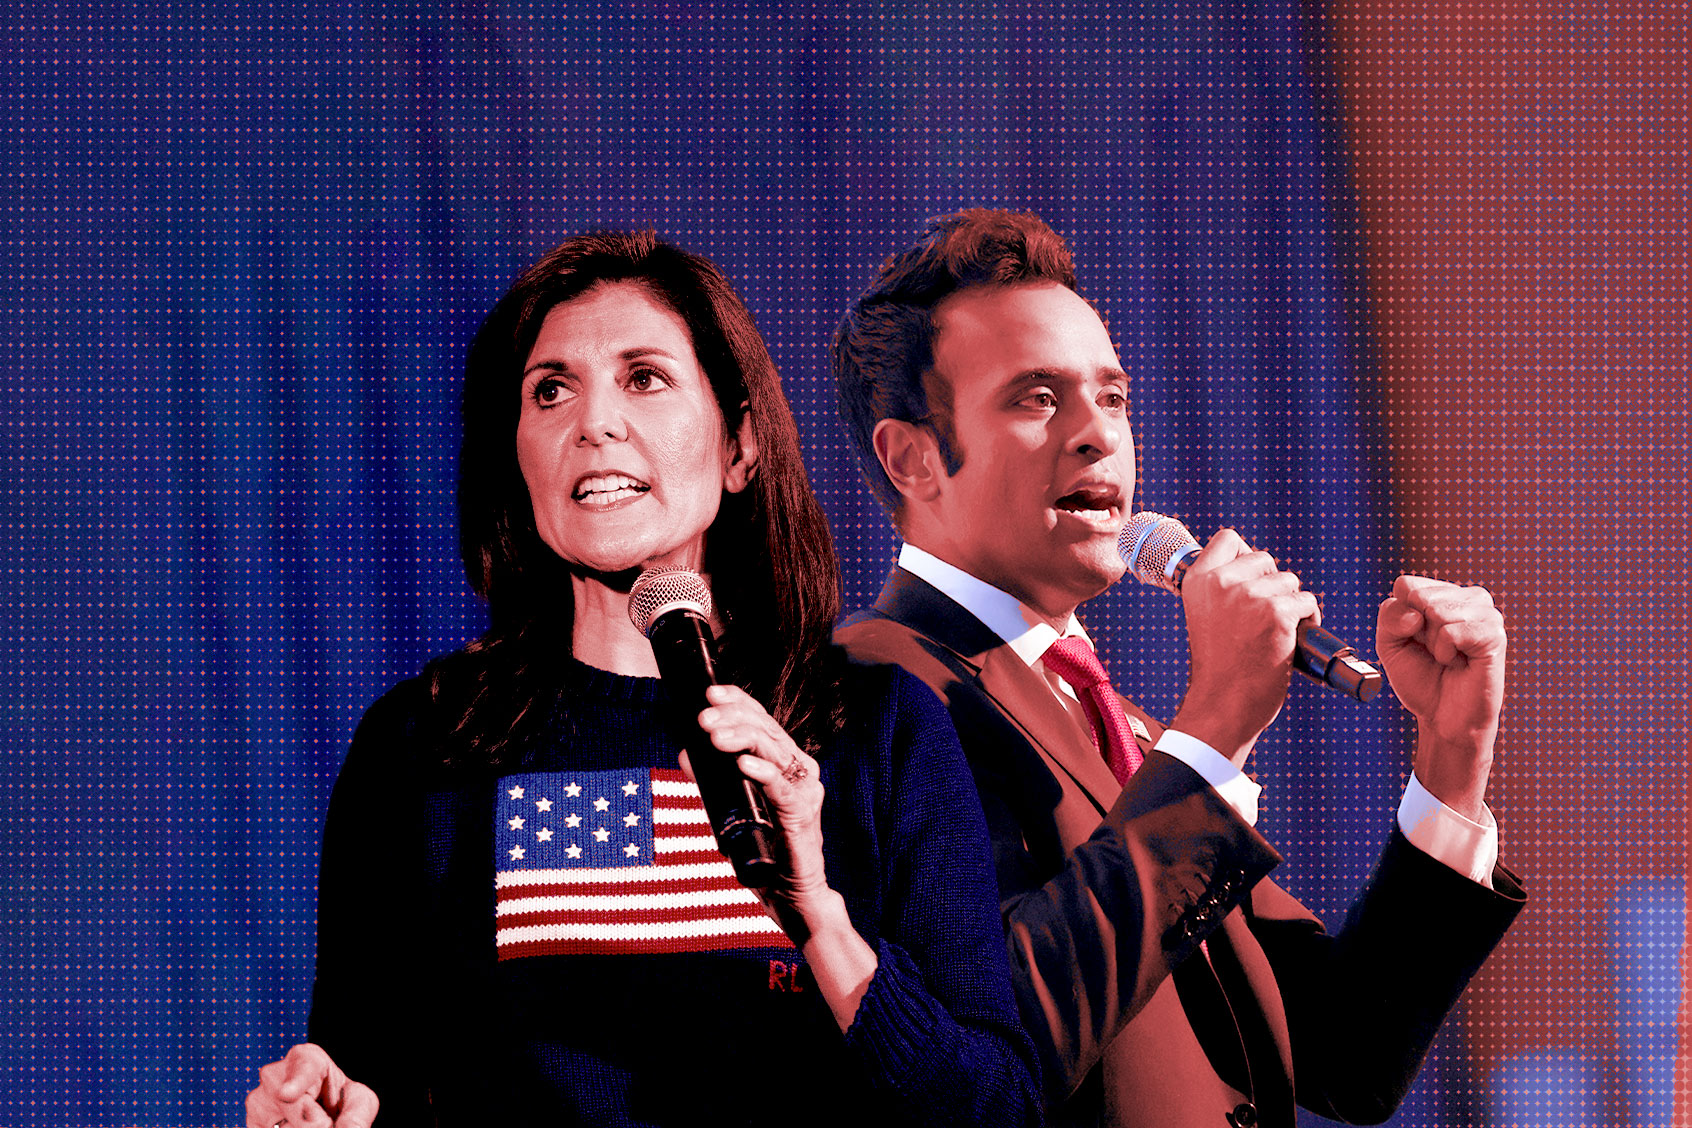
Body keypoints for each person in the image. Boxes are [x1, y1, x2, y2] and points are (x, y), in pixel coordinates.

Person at [245, 231, 1041, 1127]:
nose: (594, 422)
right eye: (551, 391)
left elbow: (998, 1111)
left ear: (740, 445)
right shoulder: (424, 743)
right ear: (517, 456)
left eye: (644, 378)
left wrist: (820, 916)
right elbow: (365, 1073)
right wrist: (329, 1112)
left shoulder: (877, 728)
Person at [831, 209, 1527, 1128]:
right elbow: (993, 1047)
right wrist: (1218, 724)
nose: (1098, 434)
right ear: (913, 457)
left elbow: (1344, 1050)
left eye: (1113, 397)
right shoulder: (873, 688)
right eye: (1037, 398)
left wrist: (1452, 757)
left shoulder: (1123, 731)